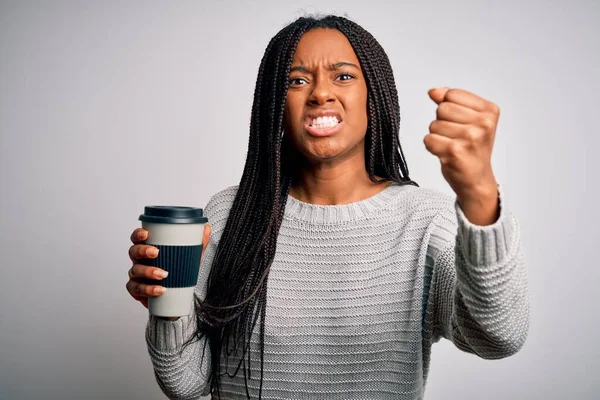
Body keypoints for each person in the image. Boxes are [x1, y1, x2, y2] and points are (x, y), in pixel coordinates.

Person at [126, 15, 529, 400]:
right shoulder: (230, 214)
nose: (320, 93)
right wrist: (167, 303)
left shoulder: (427, 223)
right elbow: (185, 383)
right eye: (297, 80)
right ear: (274, 106)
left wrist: (478, 193)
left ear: (375, 94)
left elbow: (499, 337)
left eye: (343, 75)